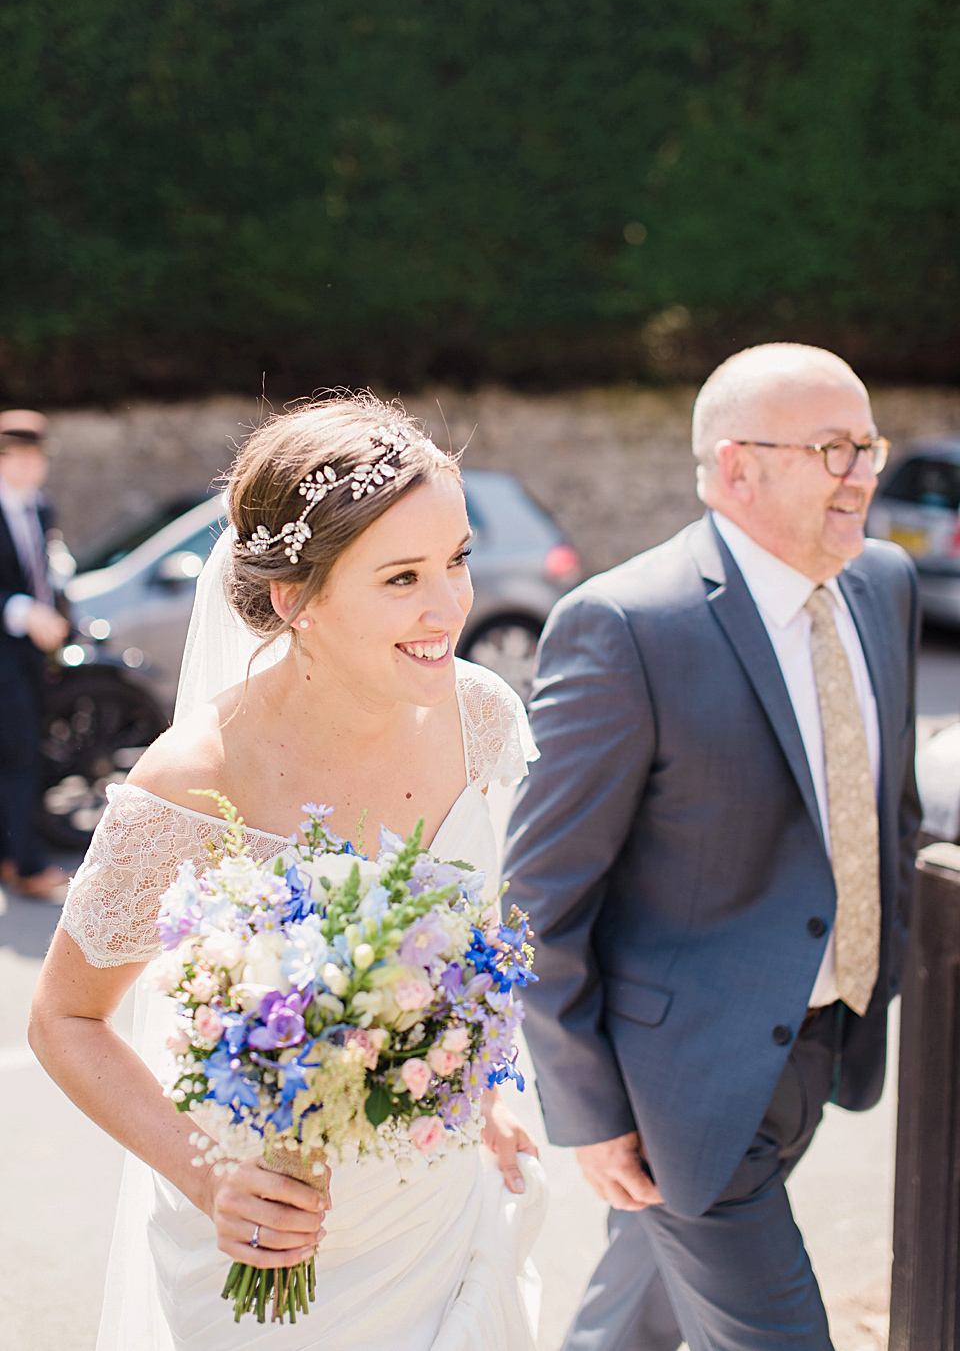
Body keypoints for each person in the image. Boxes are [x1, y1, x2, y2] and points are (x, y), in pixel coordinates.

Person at [29, 396, 546, 1351]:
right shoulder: (194, 782)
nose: (451, 607)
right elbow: (64, 1019)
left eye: (458, 559)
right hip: (271, 1246)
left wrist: (484, 1096)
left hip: (437, 1222)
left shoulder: (483, 718)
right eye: (402, 578)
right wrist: (208, 1177)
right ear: (293, 597)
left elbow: (460, 946)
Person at [504, 344, 920, 1351]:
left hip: (817, 1047)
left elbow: (888, 802)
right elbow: (536, 897)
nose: (864, 472)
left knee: (633, 1313)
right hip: (677, 1085)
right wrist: (591, 1110)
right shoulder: (626, 625)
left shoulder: (886, 585)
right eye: (834, 448)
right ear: (739, 467)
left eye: (868, 444)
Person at [0, 408, 70, 900]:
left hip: (30, 657)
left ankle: (10, 854)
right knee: (20, 756)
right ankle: (27, 865)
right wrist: (25, 612)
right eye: (14, 457)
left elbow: (45, 570)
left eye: (34, 457)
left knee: (23, 753)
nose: (26, 467)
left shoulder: (41, 508)